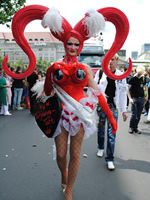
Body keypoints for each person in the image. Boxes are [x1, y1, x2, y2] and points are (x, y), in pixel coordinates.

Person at [2, 5, 132, 200]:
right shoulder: (55, 67)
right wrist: (49, 75)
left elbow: (97, 94)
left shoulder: (86, 69)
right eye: (69, 43)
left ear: (80, 46)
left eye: (76, 44)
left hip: (79, 115)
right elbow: (47, 92)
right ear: (65, 44)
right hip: (60, 114)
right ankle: (63, 174)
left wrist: (113, 121)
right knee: (62, 155)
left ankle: (69, 189)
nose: (72, 47)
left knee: (75, 155)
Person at [94, 53, 128, 170]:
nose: (110, 62)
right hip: (102, 106)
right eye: (108, 59)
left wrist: (124, 110)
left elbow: (123, 93)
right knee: (101, 130)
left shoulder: (120, 75)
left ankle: (110, 158)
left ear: (117, 61)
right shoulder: (100, 73)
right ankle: (100, 147)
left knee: (112, 133)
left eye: (113, 59)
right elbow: (93, 89)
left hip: (113, 107)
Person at [127, 66, 148, 134]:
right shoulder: (132, 79)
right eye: (139, 73)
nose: (139, 75)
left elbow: (146, 87)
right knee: (134, 114)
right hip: (134, 98)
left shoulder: (143, 78)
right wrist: (130, 98)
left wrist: (147, 95)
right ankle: (131, 127)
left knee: (138, 114)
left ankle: (135, 127)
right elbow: (128, 89)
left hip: (141, 98)